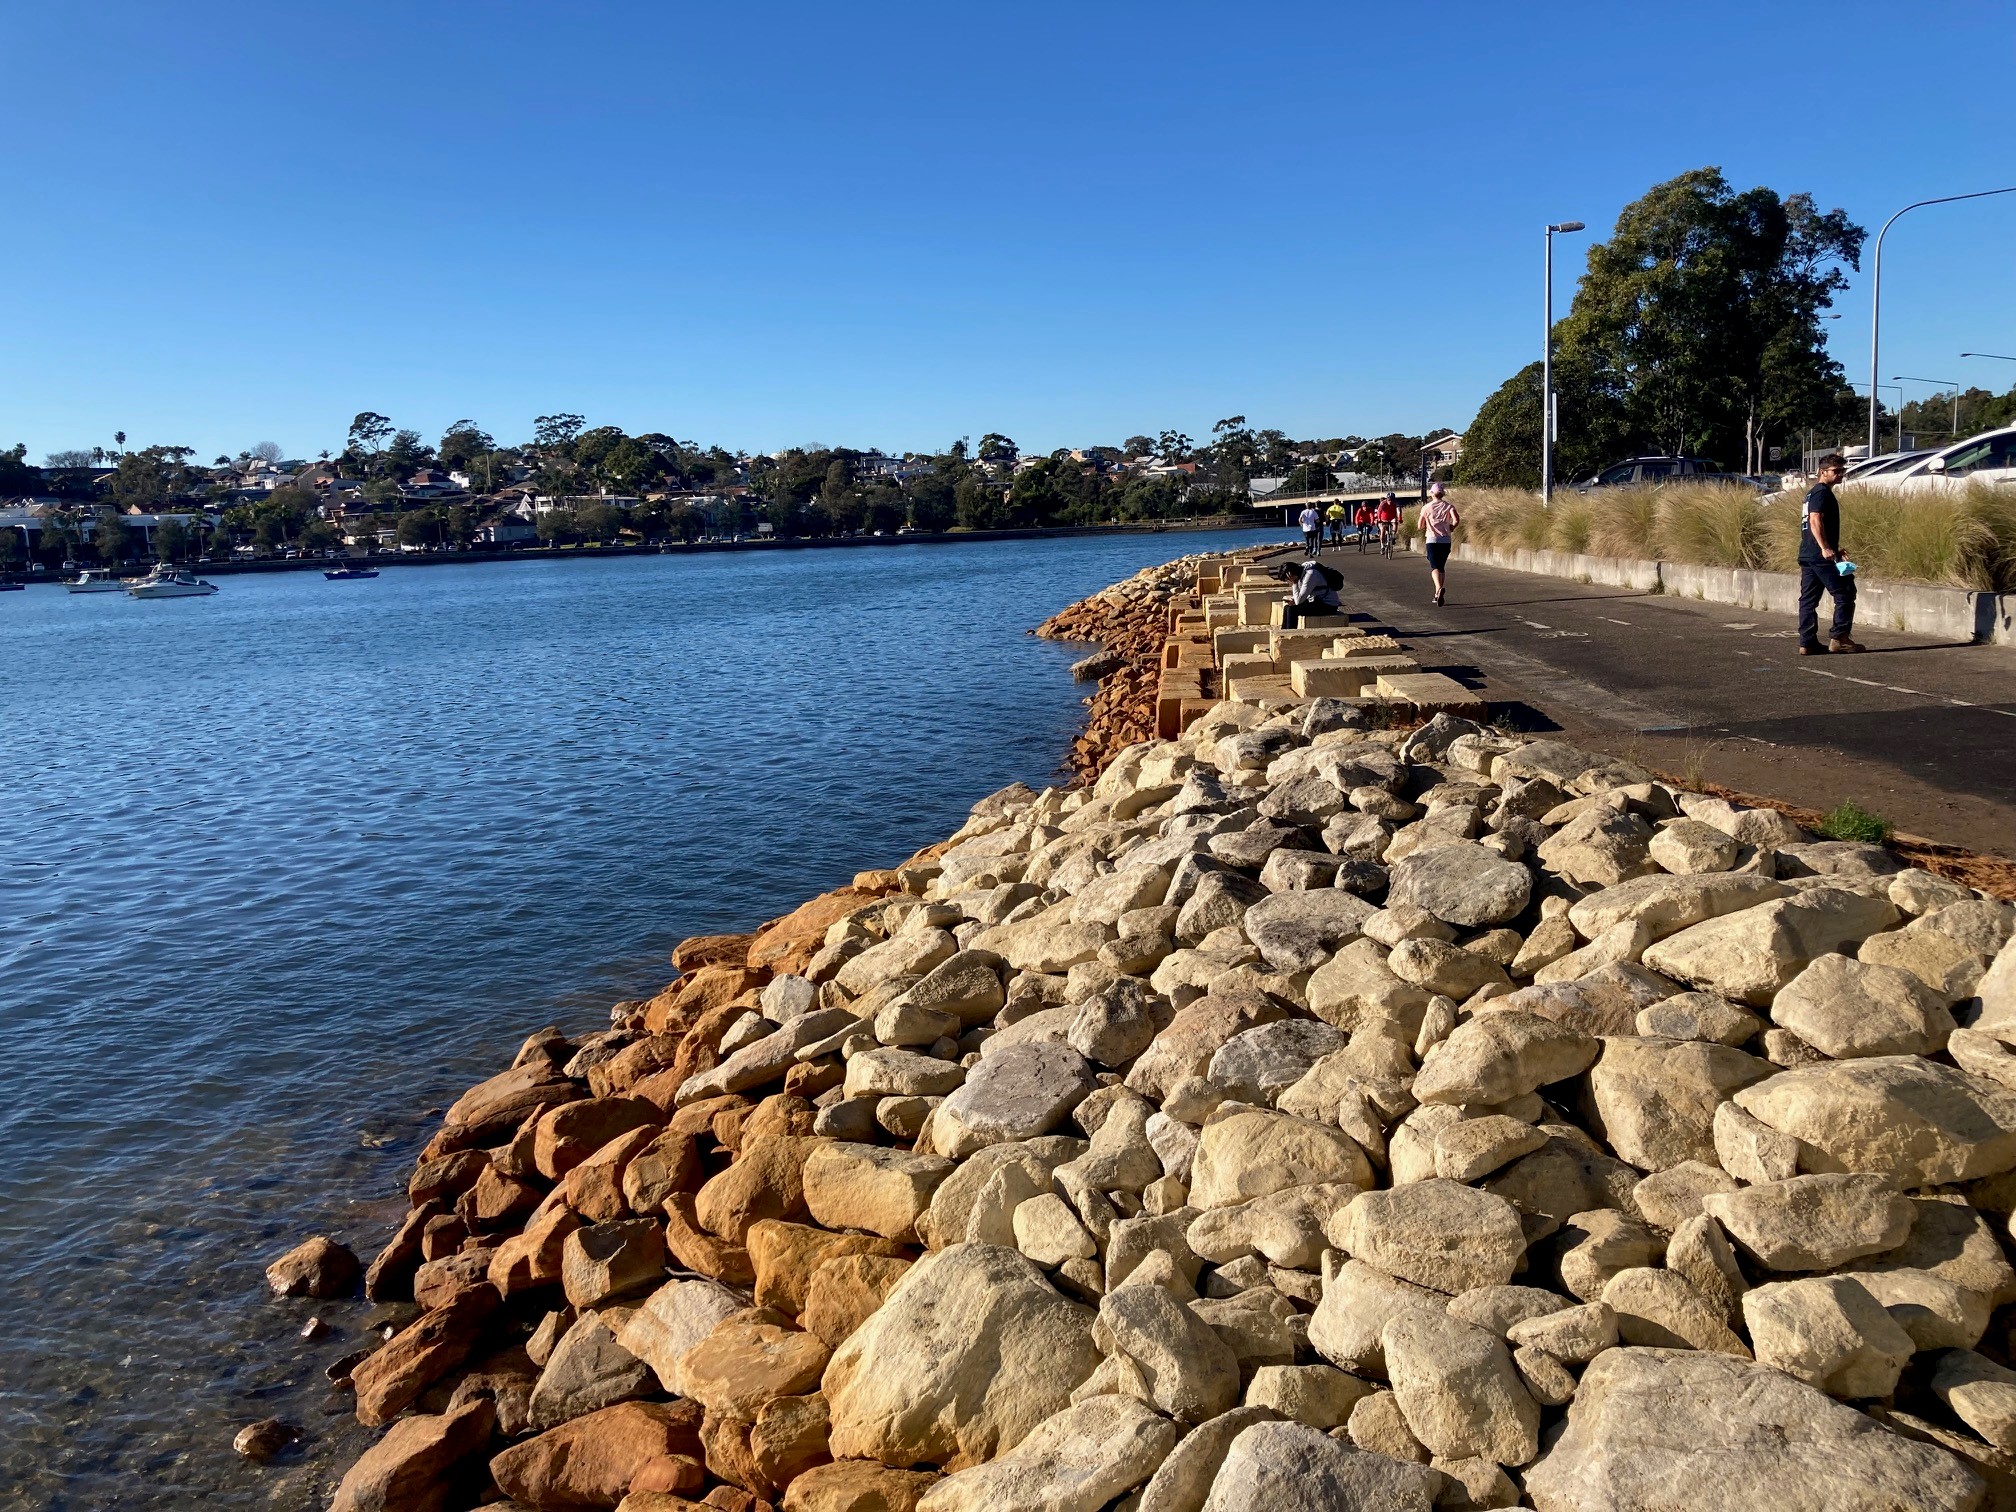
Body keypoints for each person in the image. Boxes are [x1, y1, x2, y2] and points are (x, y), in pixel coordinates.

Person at [1798, 454, 1863, 655]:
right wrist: (1826, 548)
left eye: (1842, 471)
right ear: (1822, 471)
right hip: (1820, 556)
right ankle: (1840, 637)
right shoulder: (1821, 493)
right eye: (1836, 471)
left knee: (1808, 600)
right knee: (1845, 592)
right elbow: (1815, 519)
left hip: (1809, 555)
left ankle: (1807, 642)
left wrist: (1834, 548)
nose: (1840, 475)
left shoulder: (1812, 493)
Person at [1420, 482, 1459, 605]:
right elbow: (1457, 519)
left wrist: (1427, 524)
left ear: (1432, 494)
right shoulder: (1448, 506)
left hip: (1432, 539)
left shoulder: (1426, 507)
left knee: (1434, 567)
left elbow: (1419, 525)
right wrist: (1451, 527)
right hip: (1445, 540)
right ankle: (1437, 594)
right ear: (1442, 494)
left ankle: (1437, 590)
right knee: (1441, 566)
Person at [1273, 558, 1341, 628]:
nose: (1288, 581)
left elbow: (1298, 601)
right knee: (1287, 607)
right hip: (1317, 601)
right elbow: (1301, 595)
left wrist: (1294, 583)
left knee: (1292, 610)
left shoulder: (1310, 575)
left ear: (1290, 574)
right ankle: (1283, 634)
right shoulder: (1302, 570)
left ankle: (1290, 634)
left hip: (1329, 606)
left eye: (1287, 579)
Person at [1375, 492, 1401, 556]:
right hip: (1384, 518)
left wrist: (1400, 518)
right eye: (1389, 500)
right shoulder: (1383, 503)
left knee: (1395, 523)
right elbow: (1379, 511)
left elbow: (1399, 511)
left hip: (1392, 517)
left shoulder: (1396, 503)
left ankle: (1393, 536)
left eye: (1392, 500)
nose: (1390, 501)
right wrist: (1379, 519)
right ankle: (1382, 546)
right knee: (1383, 530)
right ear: (1387, 499)